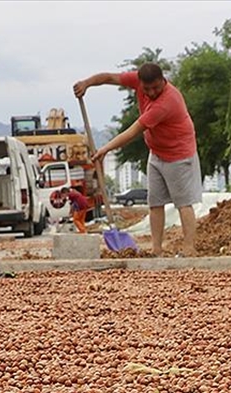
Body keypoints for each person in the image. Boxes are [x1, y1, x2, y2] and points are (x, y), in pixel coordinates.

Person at [73, 62, 200, 257]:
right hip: (156, 152)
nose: (151, 93)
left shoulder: (167, 101)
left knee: (183, 202)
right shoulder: (138, 81)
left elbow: (134, 130)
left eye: (156, 87)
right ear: (140, 83)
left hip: (179, 154)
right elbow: (109, 77)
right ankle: (157, 250)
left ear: (163, 81)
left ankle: (190, 248)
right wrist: (86, 83)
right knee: (155, 202)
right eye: (147, 89)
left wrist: (106, 148)